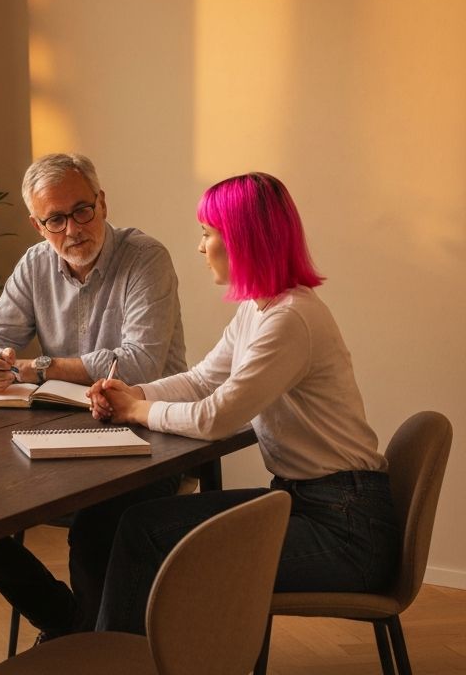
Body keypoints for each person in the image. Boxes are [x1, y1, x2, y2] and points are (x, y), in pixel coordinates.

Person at [89, 172, 399, 635]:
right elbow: (201, 380)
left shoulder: (290, 319)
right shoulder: (259, 309)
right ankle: (120, 659)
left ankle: (116, 662)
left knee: (149, 537)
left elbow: (217, 416)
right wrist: (137, 393)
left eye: (207, 234)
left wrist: (136, 411)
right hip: (307, 504)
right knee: (139, 525)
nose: (200, 247)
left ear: (242, 240)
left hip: (345, 530)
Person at [0, 153, 188, 636]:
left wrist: (37, 366)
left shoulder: (146, 257)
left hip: (150, 437)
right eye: (55, 219)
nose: (72, 229)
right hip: (64, 436)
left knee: (98, 524)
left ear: (102, 203)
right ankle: (71, 627)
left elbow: (139, 363)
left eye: (81, 210)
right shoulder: (35, 263)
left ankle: (93, 645)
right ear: (37, 224)